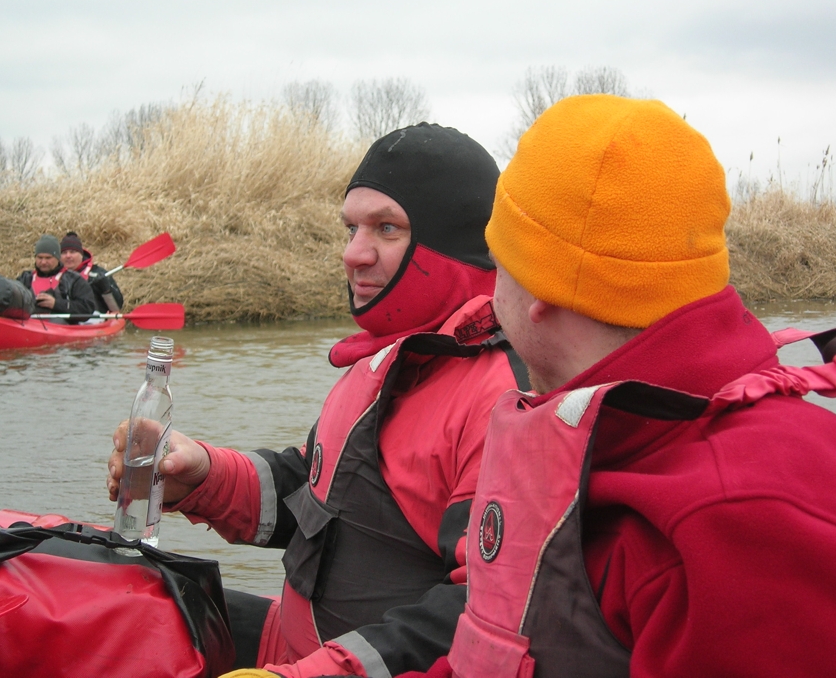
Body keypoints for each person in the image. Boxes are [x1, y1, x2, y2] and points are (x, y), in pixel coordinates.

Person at [407, 95, 836, 677]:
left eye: (500, 261)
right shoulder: (617, 439)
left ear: (541, 289)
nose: (491, 291)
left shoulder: (739, 523)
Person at [107, 124, 527, 677]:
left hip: (334, 667)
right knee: (95, 596)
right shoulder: (382, 359)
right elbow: (315, 493)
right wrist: (202, 474)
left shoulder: (504, 398)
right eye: (351, 227)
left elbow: (483, 613)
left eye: (386, 228)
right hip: (290, 646)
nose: (353, 254)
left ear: (449, 245)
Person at [15, 234, 96, 323]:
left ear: (58, 258)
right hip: (28, 325)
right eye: (40, 257)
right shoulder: (25, 278)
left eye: (48, 258)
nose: (43, 262)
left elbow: (87, 309)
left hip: (61, 327)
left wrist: (56, 304)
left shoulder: (74, 280)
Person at [60, 231, 124, 313]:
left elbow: (116, 308)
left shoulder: (97, 273)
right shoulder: (54, 275)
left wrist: (106, 290)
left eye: (73, 252)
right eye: (64, 253)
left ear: (81, 255)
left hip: (95, 318)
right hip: (63, 319)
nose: (68, 256)